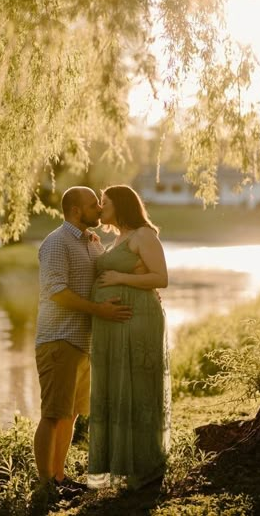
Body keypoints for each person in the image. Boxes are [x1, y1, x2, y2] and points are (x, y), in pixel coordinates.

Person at [33, 186, 133, 493]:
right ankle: (45, 485)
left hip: (83, 343)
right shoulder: (56, 243)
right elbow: (56, 291)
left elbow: (105, 277)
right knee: (52, 414)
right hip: (59, 339)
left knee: (70, 414)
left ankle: (60, 478)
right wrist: (98, 310)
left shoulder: (92, 244)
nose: (100, 210)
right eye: (93, 205)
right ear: (76, 211)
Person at [88, 184, 171, 490]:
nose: (100, 206)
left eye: (105, 202)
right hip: (114, 324)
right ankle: (122, 463)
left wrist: (121, 278)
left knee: (138, 389)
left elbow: (161, 278)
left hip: (138, 320)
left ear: (121, 205)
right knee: (117, 388)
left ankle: (145, 467)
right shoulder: (116, 239)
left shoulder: (144, 235)